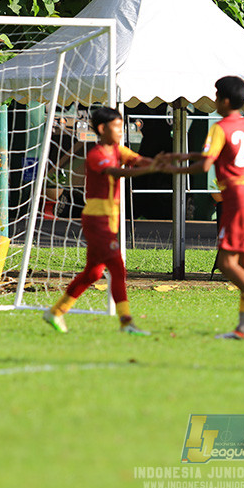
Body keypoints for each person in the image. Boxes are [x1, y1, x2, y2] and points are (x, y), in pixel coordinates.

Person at [160, 75, 244, 341]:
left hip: (239, 198)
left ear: (225, 100)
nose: (214, 99)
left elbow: (205, 165)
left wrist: (172, 168)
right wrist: (183, 155)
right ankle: (243, 328)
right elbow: (223, 155)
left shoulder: (219, 127)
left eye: (217, 95)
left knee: (228, 263)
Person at [42, 107, 160, 335]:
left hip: (109, 218)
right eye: (117, 126)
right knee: (117, 267)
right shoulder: (96, 154)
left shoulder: (117, 149)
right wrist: (151, 168)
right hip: (97, 220)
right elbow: (116, 172)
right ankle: (126, 322)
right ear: (103, 129)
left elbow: (138, 160)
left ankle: (56, 311)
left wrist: (159, 162)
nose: (120, 130)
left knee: (94, 273)